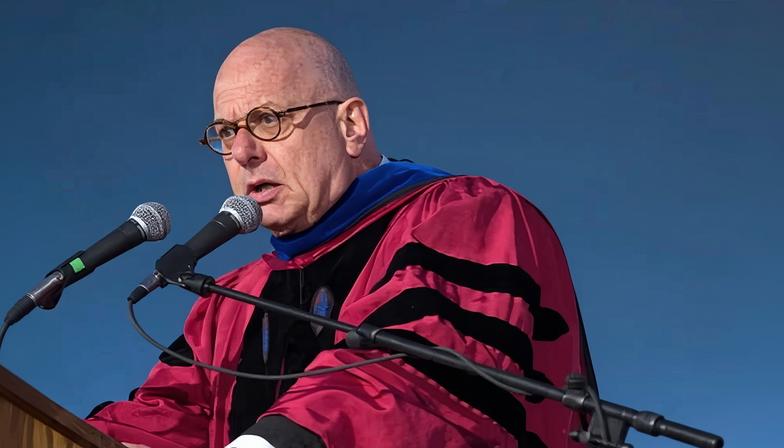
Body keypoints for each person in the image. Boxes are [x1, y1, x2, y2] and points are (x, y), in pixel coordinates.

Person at [86, 27, 594, 448]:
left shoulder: (471, 215)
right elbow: (165, 419)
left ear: (351, 125)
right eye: (225, 131)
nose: (242, 153)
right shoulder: (229, 302)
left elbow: (415, 381)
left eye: (267, 120)